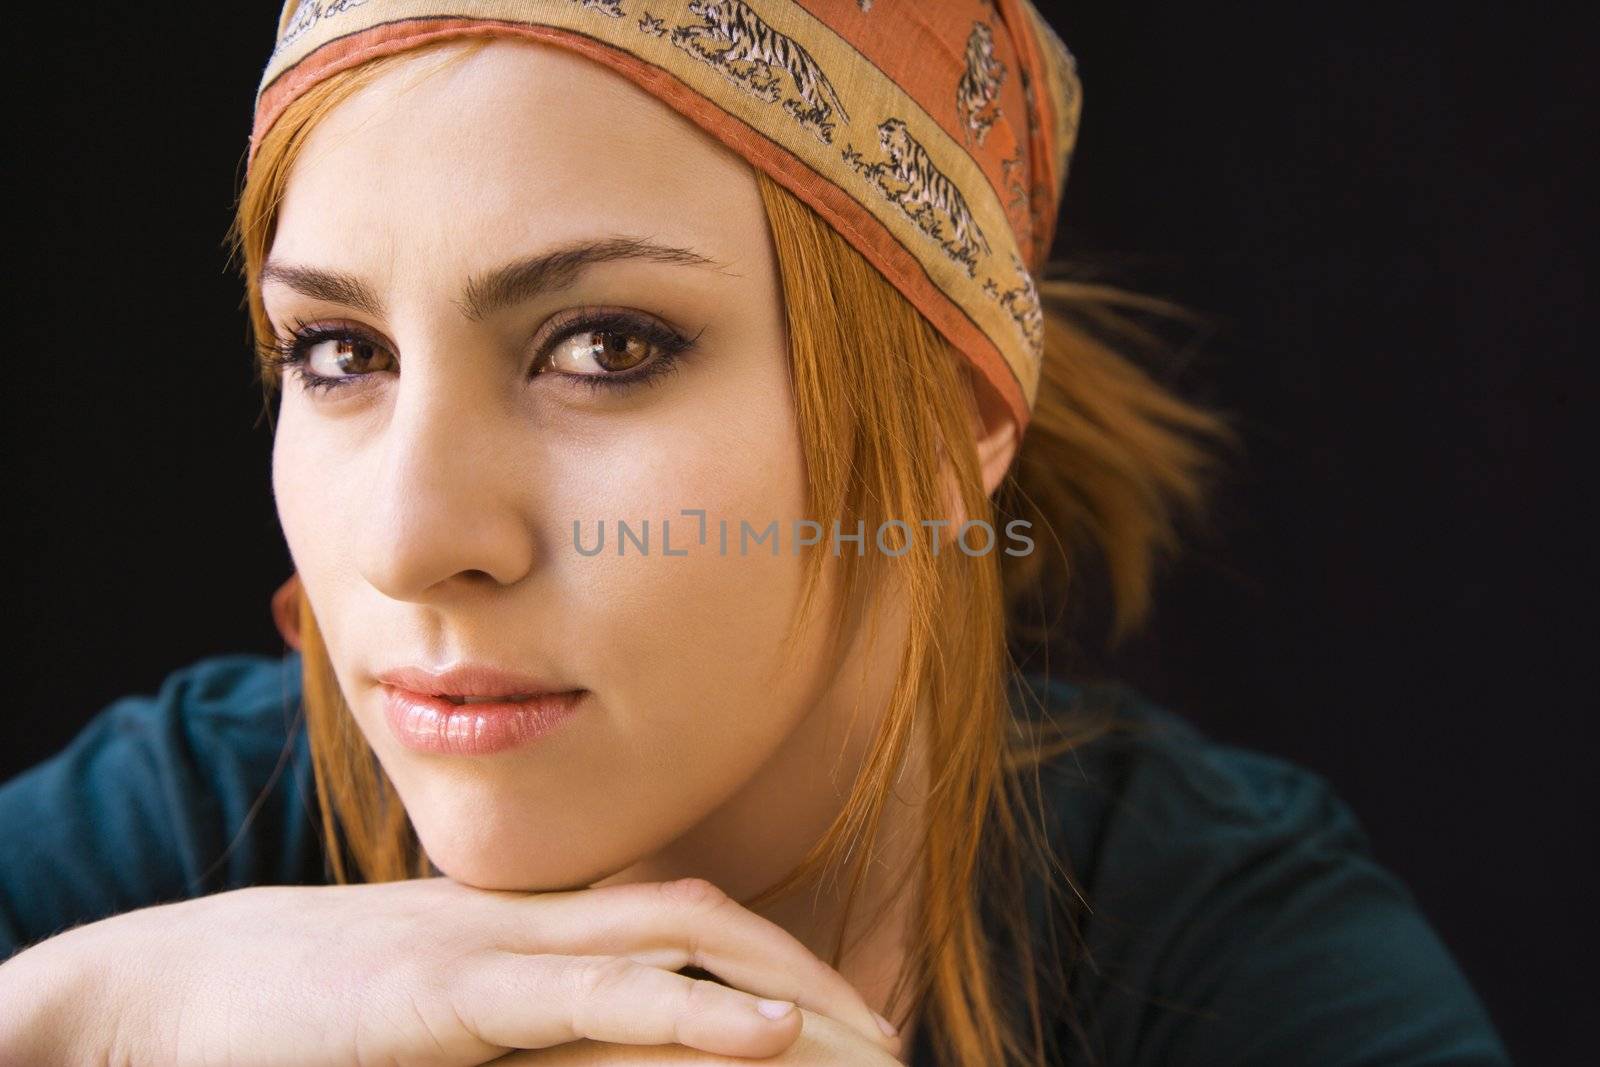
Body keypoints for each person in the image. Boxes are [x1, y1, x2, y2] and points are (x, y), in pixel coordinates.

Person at [0, 2, 1512, 1064]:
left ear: (958, 417)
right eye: (339, 352)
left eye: (606, 346)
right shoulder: (194, 820)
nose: (410, 542)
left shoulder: (1213, 950)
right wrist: (115, 1024)